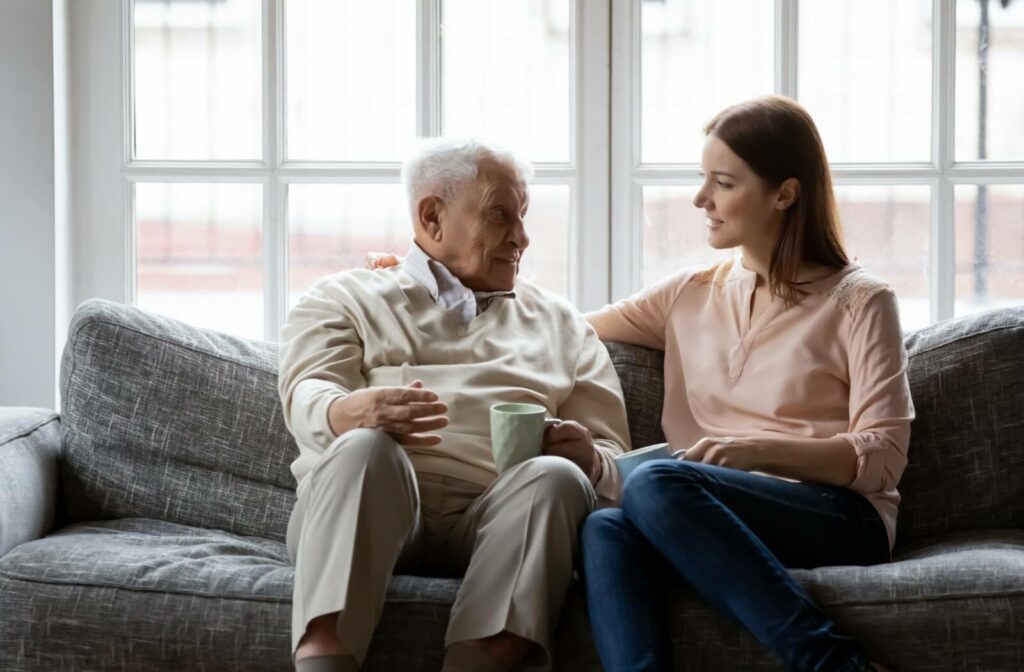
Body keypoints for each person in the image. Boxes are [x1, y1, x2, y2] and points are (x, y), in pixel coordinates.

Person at [579, 96, 912, 672]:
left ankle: (831, 663)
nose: (700, 200)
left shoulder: (861, 301)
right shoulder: (688, 293)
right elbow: (561, 328)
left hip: (839, 517)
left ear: (784, 194)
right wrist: (425, 282)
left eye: (723, 183)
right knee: (606, 527)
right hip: (702, 509)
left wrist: (756, 450)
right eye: (702, 179)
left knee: (656, 485)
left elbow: (883, 458)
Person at [278, 138, 631, 672]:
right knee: (362, 450)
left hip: (500, 517)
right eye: (499, 215)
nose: (522, 237)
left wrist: (588, 457)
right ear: (431, 216)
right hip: (375, 507)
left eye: (523, 217)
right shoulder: (343, 298)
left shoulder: (563, 325)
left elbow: (614, 457)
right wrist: (352, 412)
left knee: (556, 476)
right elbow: (308, 390)